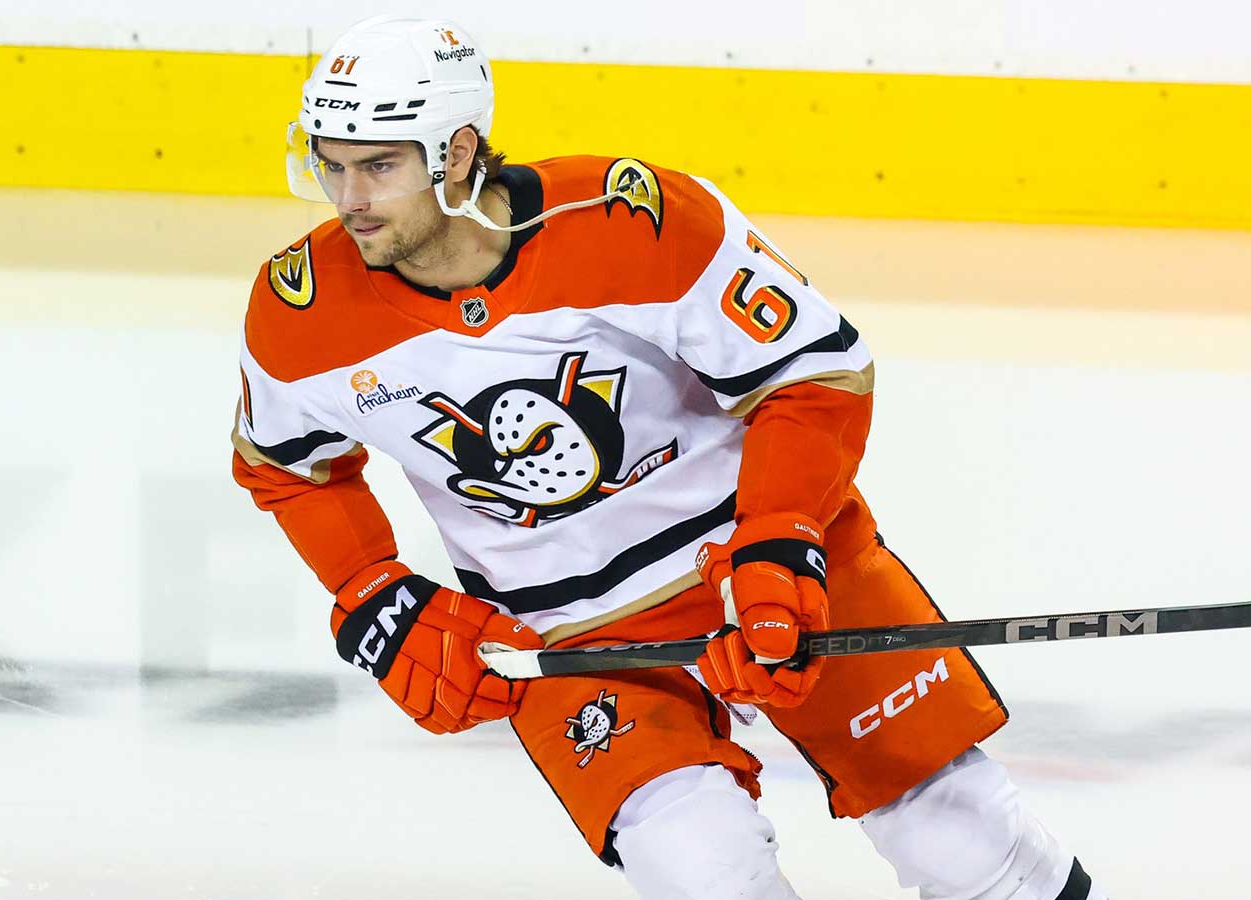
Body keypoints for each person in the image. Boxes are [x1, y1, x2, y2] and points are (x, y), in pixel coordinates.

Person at [233, 15, 1107, 900]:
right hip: (571, 636)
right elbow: (286, 468)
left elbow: (814, 373)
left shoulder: (631, 220)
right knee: (709, 877)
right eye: (331, 164)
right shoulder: (299, 312)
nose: (349, 200)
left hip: (761, 569)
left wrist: (779, 535)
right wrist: (375, 592)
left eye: (380, 166)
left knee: (966, 843)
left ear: (457, 153)